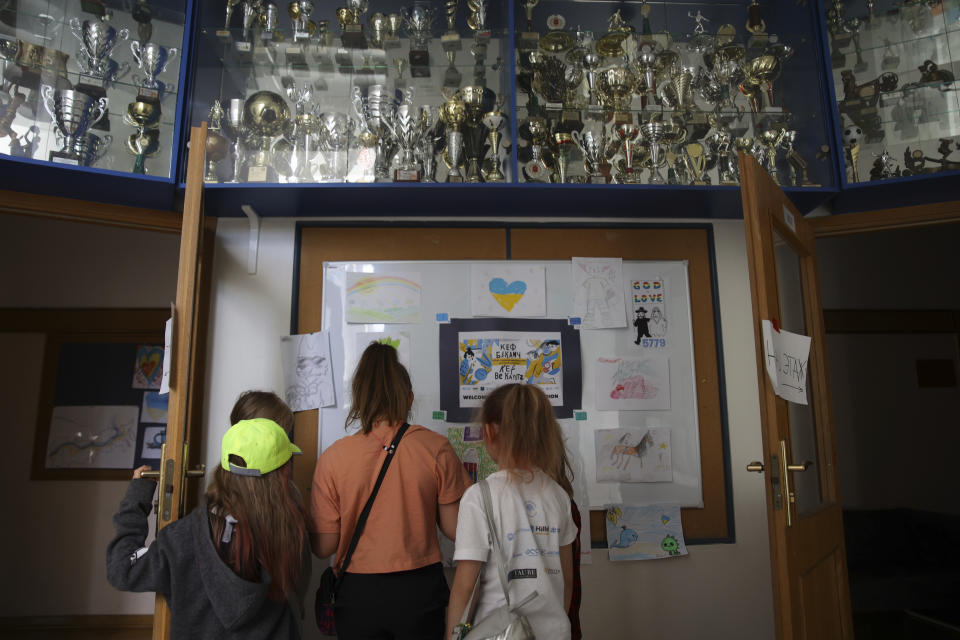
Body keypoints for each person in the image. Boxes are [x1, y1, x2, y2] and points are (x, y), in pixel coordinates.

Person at [310, 342, 472, 639]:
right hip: (419, 591)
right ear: (409, 398)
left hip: (357, 593)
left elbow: (324, 547)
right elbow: (455, 529)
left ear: (359, 398)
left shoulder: (333, 458)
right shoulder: (435, 449)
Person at [106, 408, 311, 639]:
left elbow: (122, 568)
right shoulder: (291, 530)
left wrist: (137, 498)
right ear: (283, 474)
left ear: (223, 469)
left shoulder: (182, 538)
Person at [446, 383, 578, 640]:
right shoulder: (559, 496)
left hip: (499, 633)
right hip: (555, 632)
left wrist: (453, 636)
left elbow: (465, 586)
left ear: (489, 431)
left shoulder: (479, 497)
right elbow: (567, 580)